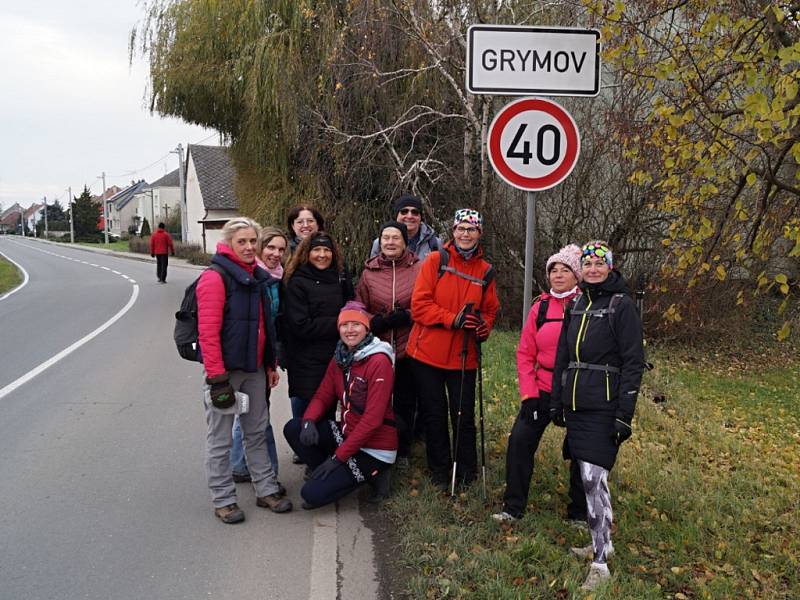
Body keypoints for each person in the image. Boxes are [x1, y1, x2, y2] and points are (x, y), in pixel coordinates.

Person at [550, 240, 645, 590]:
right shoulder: (576, 304)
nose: (593, 270)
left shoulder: (621, 306)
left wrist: (625, 414)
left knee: (594, 481)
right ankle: (600, 541)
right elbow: (563, 356)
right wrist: (557, 402)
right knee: (589, 479)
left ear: (610, 267)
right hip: (576, 405)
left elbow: (633, 362)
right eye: (587, 264)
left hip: (604, 408)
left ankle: (601, 562)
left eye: (599, 264)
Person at [197, 217, 292, 524]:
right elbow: (208, 334)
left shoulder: (257, 277)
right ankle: (223, 499)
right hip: (225, 373)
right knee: (221, 437)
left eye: (254, 241)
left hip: (253, 370)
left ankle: (265, 489)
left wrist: (269, 365)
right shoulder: (215, 278)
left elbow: (265, 326)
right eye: (243, 242)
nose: (250, 247)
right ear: (229, 243)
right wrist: (217, 379)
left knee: (256, 431)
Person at [406, 209, 500, 489]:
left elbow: (490, 310)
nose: (465, 234)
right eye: (461, 229)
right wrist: (452, 319)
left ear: (479, 234)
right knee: (434, 413)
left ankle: (466, 472)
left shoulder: (485, 271)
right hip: (428, 354)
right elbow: (419, 305)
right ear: (453, 232)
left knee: (464, 415)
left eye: (471, 230)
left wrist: (483, 326)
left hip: (464, 355)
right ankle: (439, 470)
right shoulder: (436, 260)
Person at [492, 245, 586, 523]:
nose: (557, 275)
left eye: (565, 270)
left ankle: (579, 514)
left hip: (576, 390)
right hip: (543, 387)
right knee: (520, 441)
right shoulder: (540, 307)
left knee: (581, 451)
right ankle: (513, 508)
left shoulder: (586, 306)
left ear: (577, 275)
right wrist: (529, 395)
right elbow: (524, 353)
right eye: (553, 270)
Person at [283, 301, 397, 508]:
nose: (350, 330)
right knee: (294, 428)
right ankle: (329, 473)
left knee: (310, 495)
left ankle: (376, 475)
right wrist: (308, 420)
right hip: (348, 434)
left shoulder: (379, 361)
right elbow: (323, 395)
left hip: (374, 448)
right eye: (344, 325)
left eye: (356, 324)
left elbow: (372, 420)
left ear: (366, 328)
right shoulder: (340, 357)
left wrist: (338, 458)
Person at [356, 221, 422, 471]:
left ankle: (403, 450)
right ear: (379, 242)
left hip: (410, 347)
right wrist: (377, 322)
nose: (390, 242)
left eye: (396, 238)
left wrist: (408, 315)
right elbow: (359, 308)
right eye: (386, 238)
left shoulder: (419, 268)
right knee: (378, 402)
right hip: (378, 350)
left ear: (405, 242)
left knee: (406, 402)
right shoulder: (368, 272)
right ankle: (378, 448)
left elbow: (427, 300)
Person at [230, 228, 288, 484]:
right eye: (271, 248)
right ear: (260, 249)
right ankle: (267, 473)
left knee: (248, 409)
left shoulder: (277, 278)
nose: (276, 254)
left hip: (265, 352)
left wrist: (272, 361)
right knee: (256, 413)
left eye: (281, 249)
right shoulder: (253, 277)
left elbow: (274, 323)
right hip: (247, 355)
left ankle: (240, 464)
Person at [282, 232, 354, 424]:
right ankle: (305, 451)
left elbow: (351, 307)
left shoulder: (339, 278)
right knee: (307, 414)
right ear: (306, 253)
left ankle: (325, 452)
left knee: (329, 413)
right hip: (306, 361)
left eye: (327, 250)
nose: (322, 254)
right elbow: (300, 326)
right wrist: (340, 323)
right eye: (316, 249)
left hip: (335, 357)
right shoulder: (297, 282)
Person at [369, 194, 441, 262]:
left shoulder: (435, 243)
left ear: (420, 217)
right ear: (396, 216)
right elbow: (373, 271)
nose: (409, 216)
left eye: (415, 212)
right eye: (404, 212)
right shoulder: (381, 243)